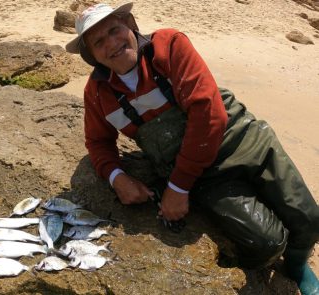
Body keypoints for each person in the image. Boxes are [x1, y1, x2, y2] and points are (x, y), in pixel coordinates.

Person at [65, 2, 319, 294]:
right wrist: (117, 178)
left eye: (115, 30)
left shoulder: (170, 45)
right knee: (267, 242)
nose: (112, 43)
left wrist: (178, 188)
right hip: (208, 178)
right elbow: (98, 142)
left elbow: (209, 115)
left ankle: (297, 266)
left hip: (246, 141)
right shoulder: (98, 93)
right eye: (98, 42)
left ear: (131, 24)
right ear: (90, 55)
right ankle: (256, 271)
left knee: (309, 219)